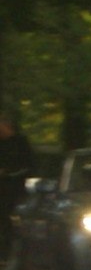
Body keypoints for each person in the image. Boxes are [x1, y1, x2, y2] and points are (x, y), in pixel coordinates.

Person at [0, 111, 37, 261]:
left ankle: (8, 254)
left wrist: (8, 173)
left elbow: (29, 166)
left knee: (9, 221)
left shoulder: (21, 143)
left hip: (14, 190)